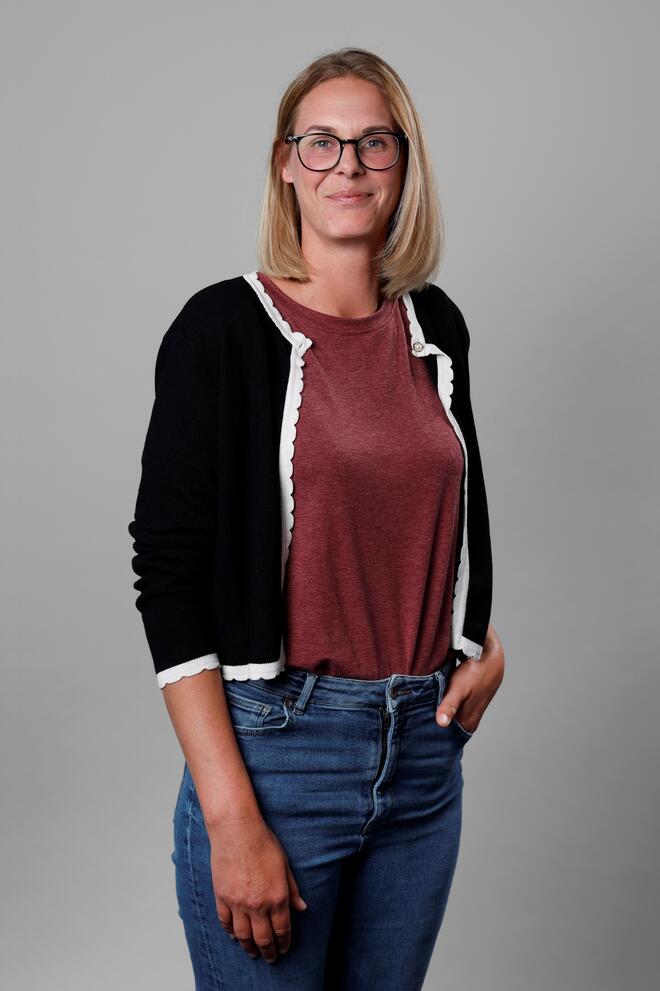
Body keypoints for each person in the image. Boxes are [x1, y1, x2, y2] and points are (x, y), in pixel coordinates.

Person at [128, 46, 505, 991]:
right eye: (322, 143)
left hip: (423, 759)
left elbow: (443, 513)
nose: (349, 165)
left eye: (375, 142)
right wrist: (230, 814)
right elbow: (168, 573)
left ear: (404, 165)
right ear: (285, 163)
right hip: (277, 755)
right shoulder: (221, 329)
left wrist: (480, 642)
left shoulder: (437, 326)